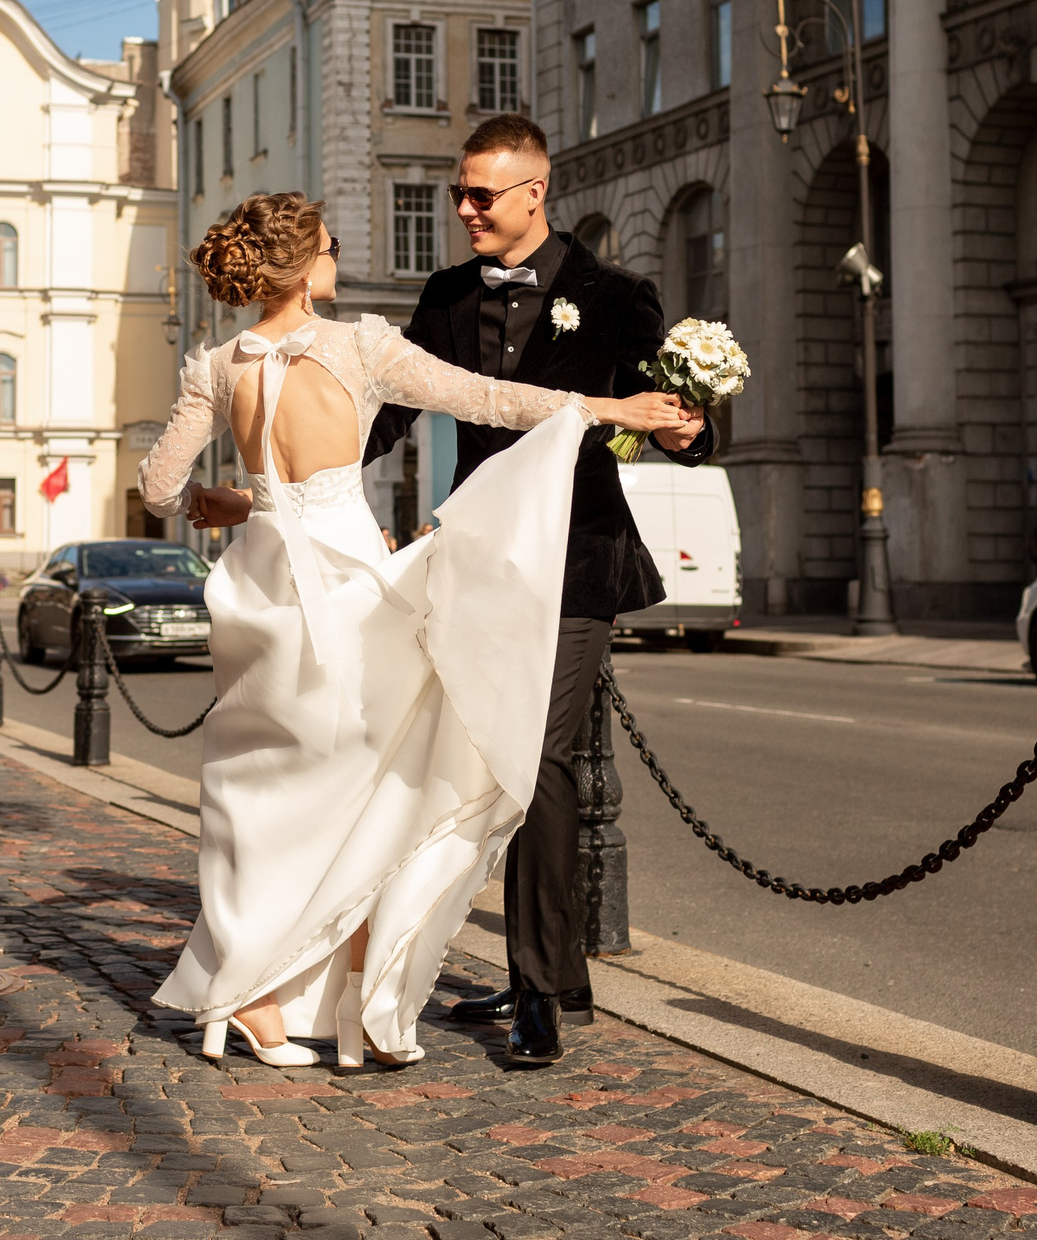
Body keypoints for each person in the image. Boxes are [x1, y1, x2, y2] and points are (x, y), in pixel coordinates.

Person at [138, 192, 690, 1070]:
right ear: (306, 267)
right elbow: (489, 398)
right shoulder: (361, 344)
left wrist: (222, 500)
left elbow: (160, 485)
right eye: (329, 244)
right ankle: (351, 995)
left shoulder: (215, 367)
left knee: (268, 794)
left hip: (259, 586)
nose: (337, 255)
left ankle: (258, 998)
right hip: (350, 587)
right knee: (385, 787)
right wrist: (605, 408)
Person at [364, 112, 712, 1067]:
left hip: (576, 560)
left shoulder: (615, 294)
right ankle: (564, 972)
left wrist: (688, 433)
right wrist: (308, 487)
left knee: (538, 761)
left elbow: (677, 412)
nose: (466, 209)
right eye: (459, 194)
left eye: (483, 194)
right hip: (478, 560)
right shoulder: (441, 297)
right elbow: (387, 415)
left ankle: (537, 993)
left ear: (535, 194)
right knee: (482, 762)